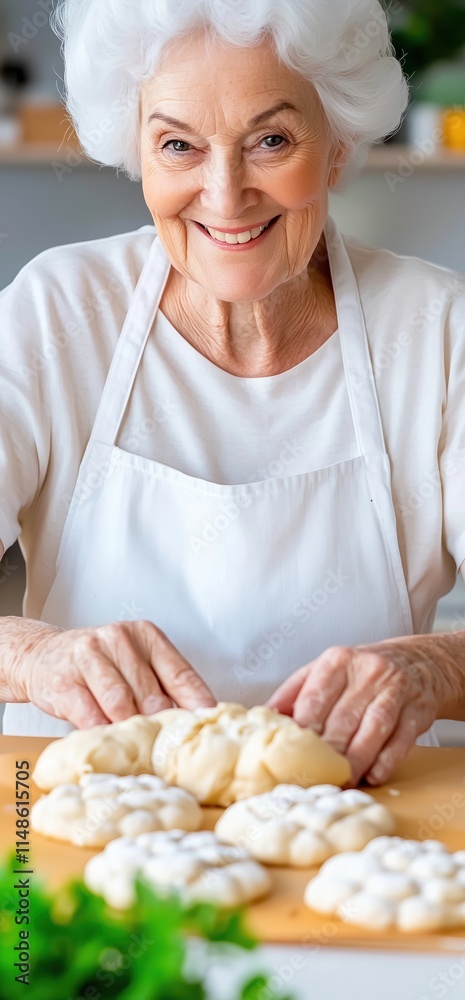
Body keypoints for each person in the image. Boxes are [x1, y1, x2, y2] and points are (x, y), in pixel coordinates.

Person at [0, 0, 464, 788]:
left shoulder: (436, 330)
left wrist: (432, 668)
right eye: (178, 145)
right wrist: (34, 656)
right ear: (136, 147)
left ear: (339, 142)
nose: (224, 194)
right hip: (69, 834)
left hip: (358, 838)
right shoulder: (58, 312)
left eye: (270, 140)